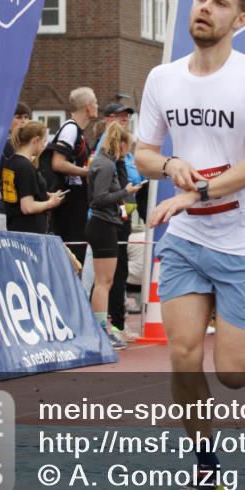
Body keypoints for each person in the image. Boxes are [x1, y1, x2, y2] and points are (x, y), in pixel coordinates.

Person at [135, 0, 245, 490]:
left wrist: (198, 191)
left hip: (243, 237)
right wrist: (170, 163)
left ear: (239, 19)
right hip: (185, 240)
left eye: (219, 3)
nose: (204, 8)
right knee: (181, 353)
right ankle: (205, 463)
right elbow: (142, 152)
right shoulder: (163, 78)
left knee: (233, 377)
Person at [86, 121, 144, 349]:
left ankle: (101, 330)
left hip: (103, 223)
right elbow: (99, 198)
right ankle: (100, 331)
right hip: (102, 224)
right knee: (103, 282)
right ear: (119, 143)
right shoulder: (106, 165)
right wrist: (125, 192)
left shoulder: (105, 163)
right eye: (126, 146)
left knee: (105, 282)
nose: (127, 151)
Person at [48, 87, 99, 266]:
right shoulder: (70, 129)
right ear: (87, 107)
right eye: (95, 102)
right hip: (69, 202)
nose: (97, 106)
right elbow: (58, 163)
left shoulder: (77, 131)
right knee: (73, 252)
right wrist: (87, 172)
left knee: (78, 251)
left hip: (77, 199)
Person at [0, 121, 64, 233]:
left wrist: (43, 194)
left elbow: (18, 191)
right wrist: (50, 203)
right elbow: (27, 207)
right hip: (29, 231)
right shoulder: (26, 167)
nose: (44, 146)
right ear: (35, 140)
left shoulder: (10, 162)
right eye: (44, 142)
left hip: (14, 226)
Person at [0, 101, 31, 229]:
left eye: (26, 117)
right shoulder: (4, 145)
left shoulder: (27, 145)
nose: (23, 121)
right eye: (19, 117)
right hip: (8, 205)